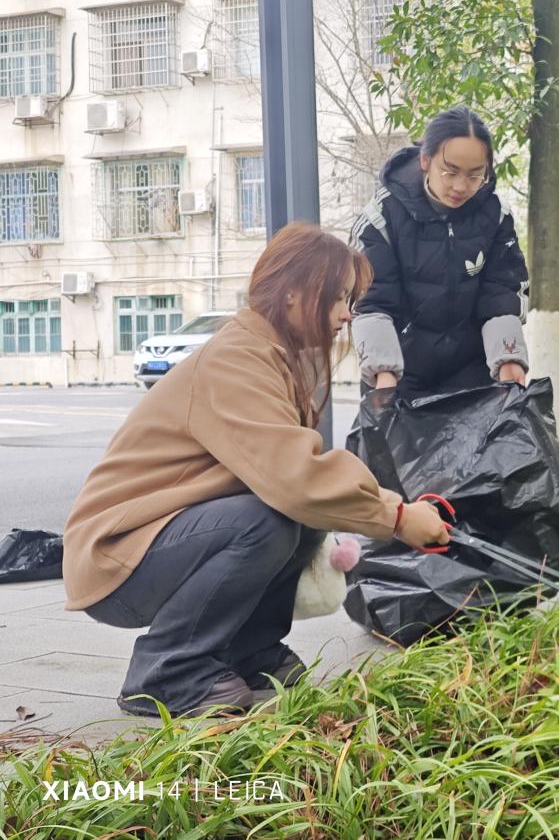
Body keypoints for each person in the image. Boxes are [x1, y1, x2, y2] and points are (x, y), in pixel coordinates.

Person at [61, 225, 451, 719]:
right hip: (117, 556)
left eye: (349, 300)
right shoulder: (236, 359)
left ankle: (248, 652)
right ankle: (166, 673)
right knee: (266, 520)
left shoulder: (272, 356)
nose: (346, 314)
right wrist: (396, 517)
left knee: (297, 517)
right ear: (292, 293)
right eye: (338, 297)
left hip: (157, 542)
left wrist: (389, 509)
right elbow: (296, 476)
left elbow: (298, 478)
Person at [350, 106, 530, 398]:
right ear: (425, 160)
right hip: (398, 371)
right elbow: (371, 300)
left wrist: (508, 358)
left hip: (474, 371)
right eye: (450, 172)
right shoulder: (381, 216)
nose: (461, 186)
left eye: (475, 175)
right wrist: (383, 372)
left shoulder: (496, 214)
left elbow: (501, 294)